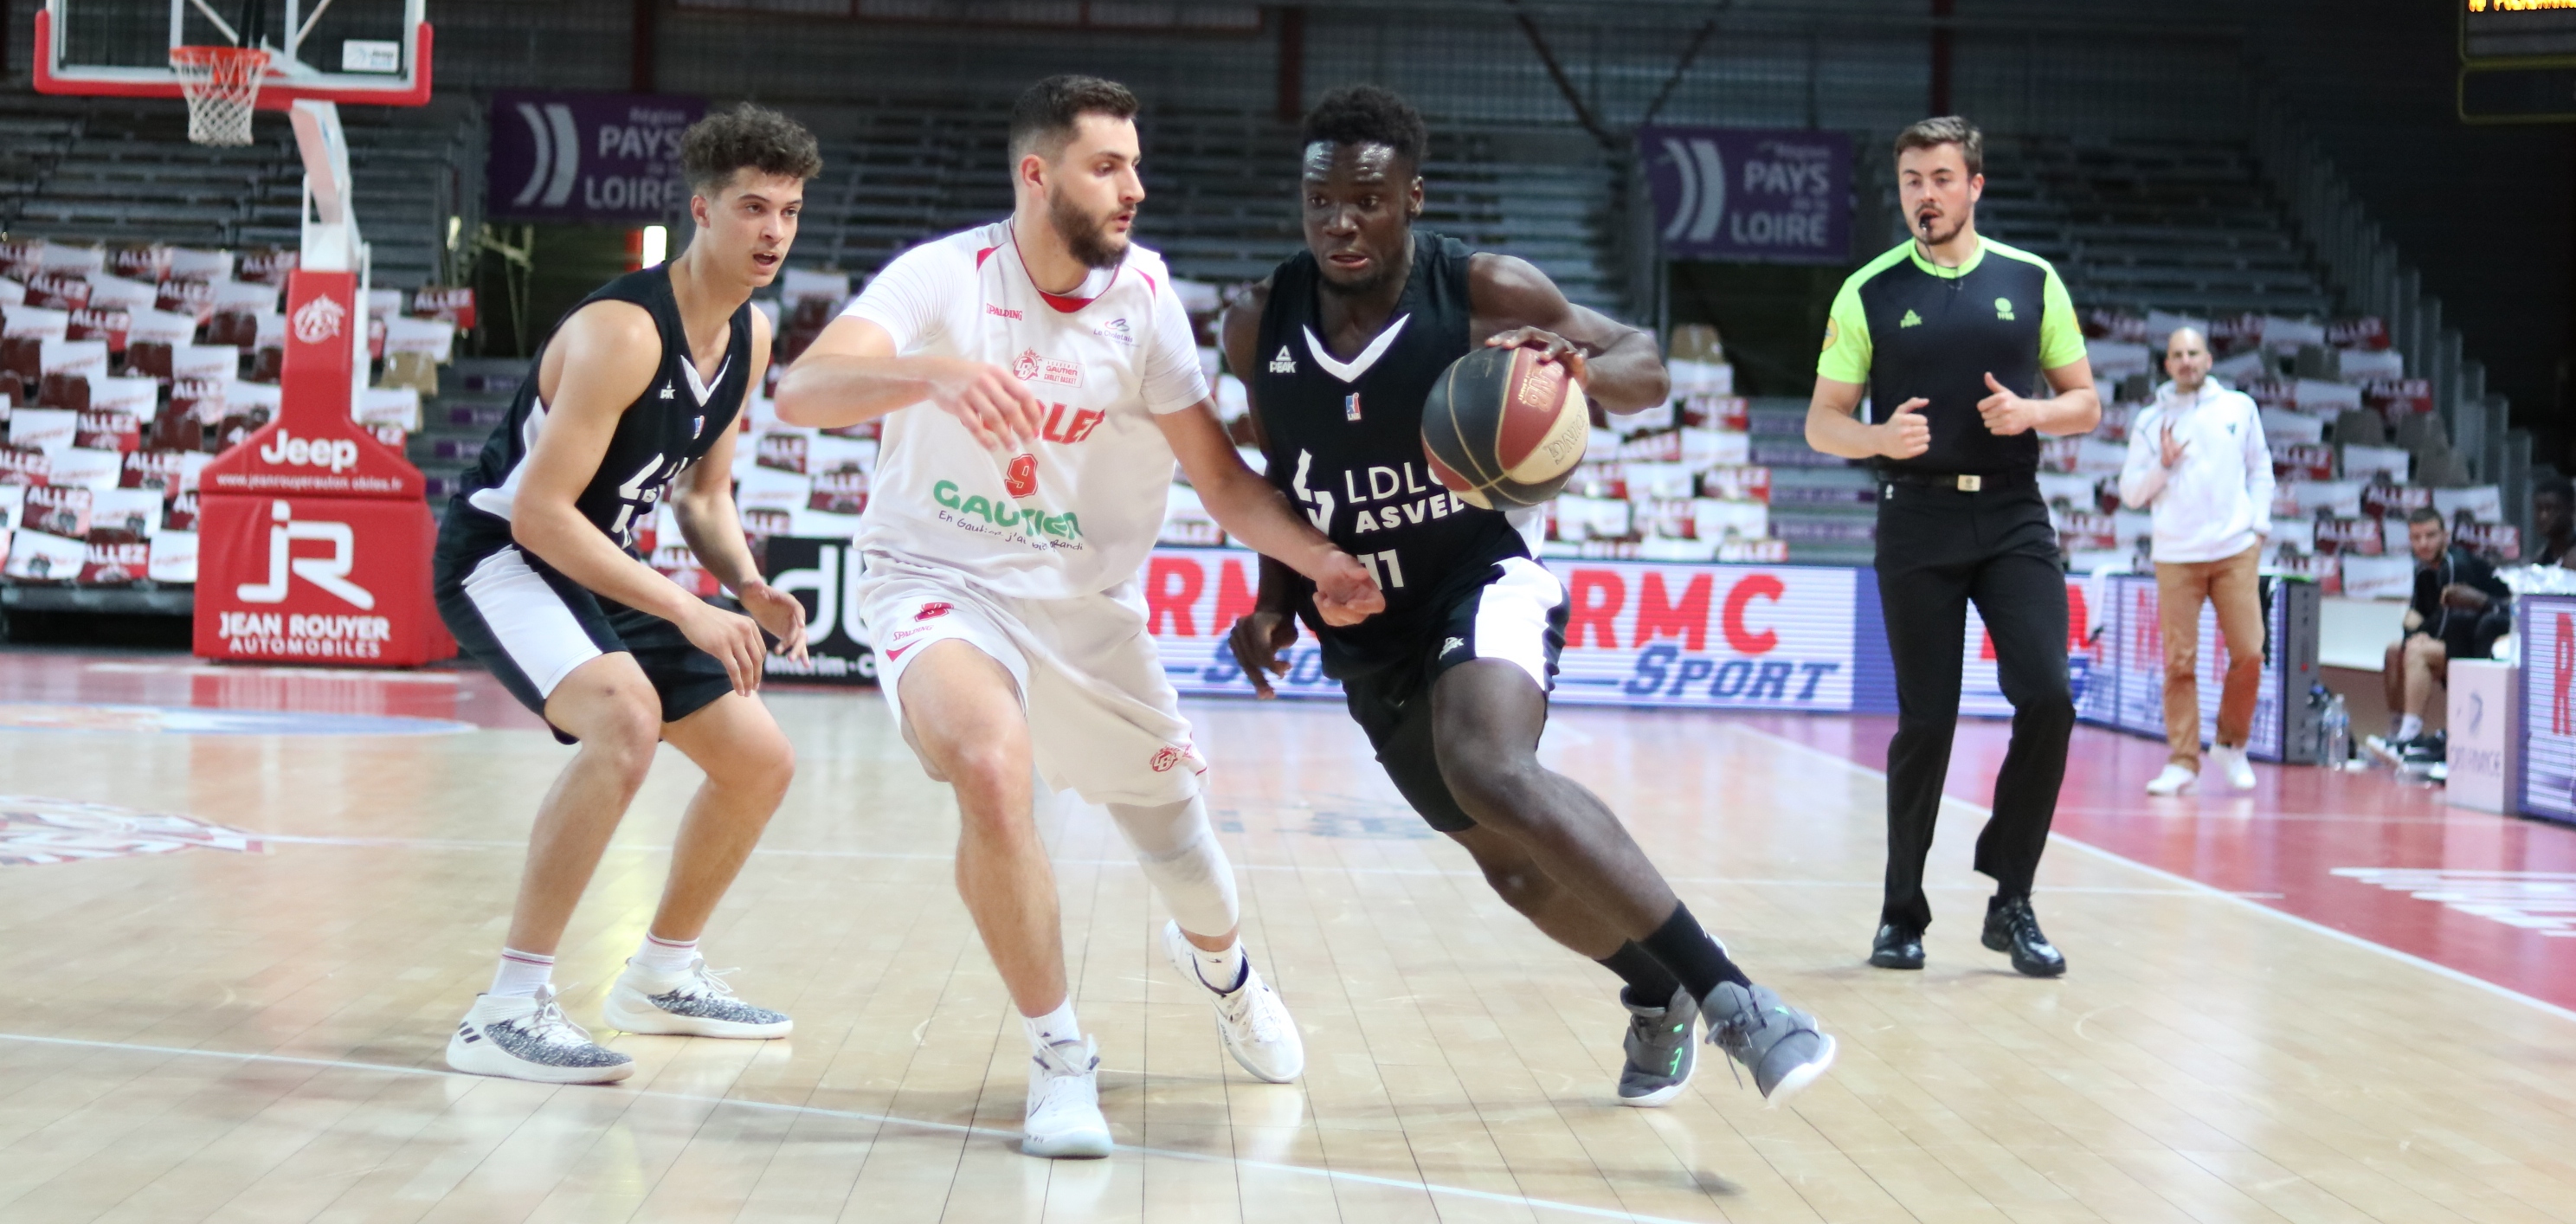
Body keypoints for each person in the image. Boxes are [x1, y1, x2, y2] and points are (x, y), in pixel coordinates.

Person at [774, 74, 1385, 1161]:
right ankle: (1060, 1056)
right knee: (991, 767)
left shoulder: (1146, 300)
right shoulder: (943, 278)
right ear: (1037, 174)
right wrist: (931, 375)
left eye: (1136, 167)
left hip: (1087, 612)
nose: (1134, 188)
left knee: (1188, 860)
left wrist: (1321, 559)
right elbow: (803, 392)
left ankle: (1228, 974)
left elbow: (1225, 481)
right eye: (1109, 166)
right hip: (936, 578)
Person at [1220, 85, 1836, 1109]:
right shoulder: (1259, 326)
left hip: (1481, 575)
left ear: (1413, 197)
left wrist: (1576, 366)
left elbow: (1647, 365)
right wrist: (1273, 599)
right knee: (1509, 869)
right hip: (1367, 631)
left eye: (1366, 200)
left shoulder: (1484, 288)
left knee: (1489, 764)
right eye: (1320, 199)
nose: (1339, 221)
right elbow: (1287, 480)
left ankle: (1736, 998)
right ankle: (1657, 991)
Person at [433, 104, 819, 1084]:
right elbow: (539, 516)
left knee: (760, 760)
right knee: (623, 716)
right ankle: (505, 1007)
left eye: (789, 210)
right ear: (702, 209)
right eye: (752, 207)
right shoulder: (619, 332)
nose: (773, 230)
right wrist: (689, 607)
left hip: (602, 563)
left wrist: (745, 584)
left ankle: (660, 976)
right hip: (505, 554)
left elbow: (704, 494)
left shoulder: (750, 336)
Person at [1803, 115, 2099, 979]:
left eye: (1940, 177)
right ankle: (1902, 913)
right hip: (1917, 520)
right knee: (1926, 723)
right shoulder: (1867, 290)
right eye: (1910, 181)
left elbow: (2084, 401)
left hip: (2013, 515)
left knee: (2047, 694)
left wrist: (2034, 413)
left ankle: (2012, 898)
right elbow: (1823, 421)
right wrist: (1877, 439)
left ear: (1975, 185)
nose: (1924, 195)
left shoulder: (2031, 280)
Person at [2117, 325, 2274, 796]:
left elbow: (2260, 469)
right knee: (2179, 662)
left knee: (2250, 652)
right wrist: (2162, 466)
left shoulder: (2239, 408)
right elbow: (2129, 493)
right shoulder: (2149, 421)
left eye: (2194, 352)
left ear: (2209, 359)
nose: (2186, 361)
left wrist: (2258, 528)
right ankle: (2183, 761)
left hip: (2234, 550)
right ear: (2166, 365)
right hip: (2176, 554)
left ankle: (2231, 743)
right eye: (2176, 354)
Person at [2375, 507, 2513, 763]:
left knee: (2417, 652)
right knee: (2395, 651)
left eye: (2430, 535)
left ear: (2445, 536)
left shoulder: (2455, 565)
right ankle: (2395, 733)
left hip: (2483, 648)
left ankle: (2409, 738)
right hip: (2455, 644)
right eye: (2416, 537)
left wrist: (2419, 634)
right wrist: (2415, 635)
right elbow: (2412, 622)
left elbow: (2445, 624)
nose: (2424, 543)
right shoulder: (2423, 571)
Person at [2530, 473, 2573, 566]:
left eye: (2550, 508)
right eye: (2539, 509)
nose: (2543, 516)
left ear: (2570, 510)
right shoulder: (2540, 560)